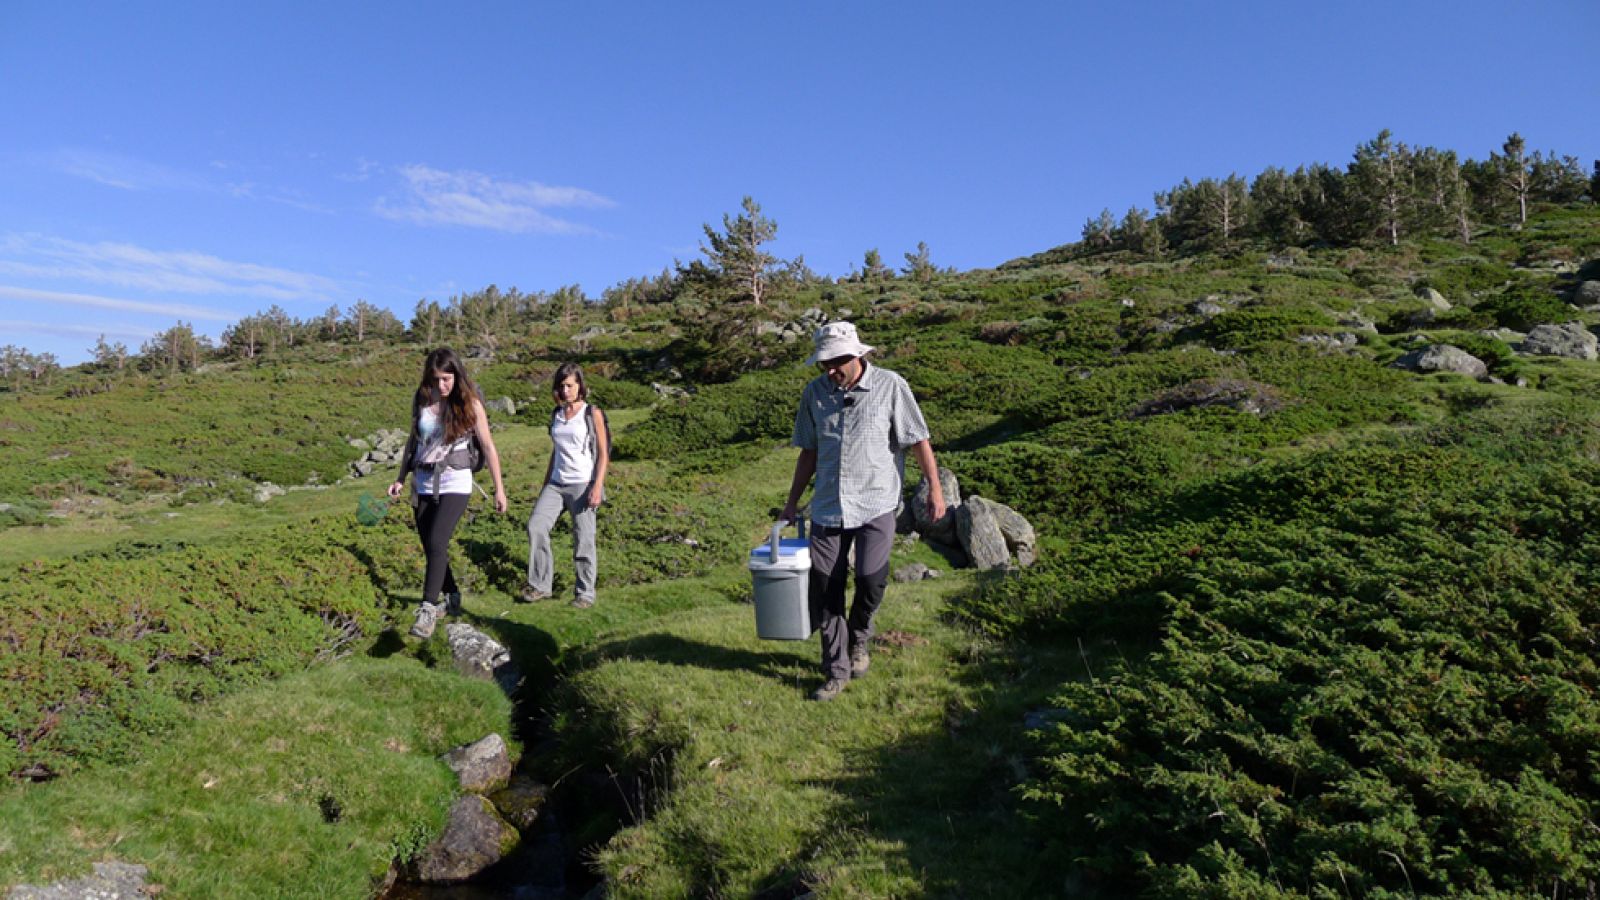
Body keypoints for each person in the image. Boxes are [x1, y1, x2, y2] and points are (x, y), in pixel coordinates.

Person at [780, 322, 946, 702]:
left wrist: (934, 488)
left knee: (871, 579)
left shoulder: (891, 386)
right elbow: (809, 451)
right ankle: (835, 671)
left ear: (858, 355)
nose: (831, 370)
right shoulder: (814, 393)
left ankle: (860, 637)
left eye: (838, 361)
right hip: (827, 507)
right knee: (826, 588)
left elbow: (918, 440)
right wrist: (791, 503)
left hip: (876, 503)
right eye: (825, 363)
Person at [388, 347, 507, 639]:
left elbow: (489, 447)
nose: (441, 385)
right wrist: (401, 477)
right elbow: (413, 441)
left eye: (446, 379)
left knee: (439, 540)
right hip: (423, 481)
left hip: (456, 480)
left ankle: (427, 610)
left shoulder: (470, 404)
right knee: (432, 546)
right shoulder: (422, 399)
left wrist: (499, 491)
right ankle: (452, 595)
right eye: (435, 379)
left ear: (457, 375)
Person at [521, 362, 609, 609]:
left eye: (570, 385)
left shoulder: (592, 413)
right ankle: (540, 585)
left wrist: (597, 486)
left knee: (584, 539)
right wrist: (546, 483)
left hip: (583, 483)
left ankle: (585, 593)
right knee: (536, 526)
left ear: (580, 385)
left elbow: (603, 453)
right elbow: (556, 451)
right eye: (561, 385)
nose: (566, 390)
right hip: (556, 483)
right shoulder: (556, 415)